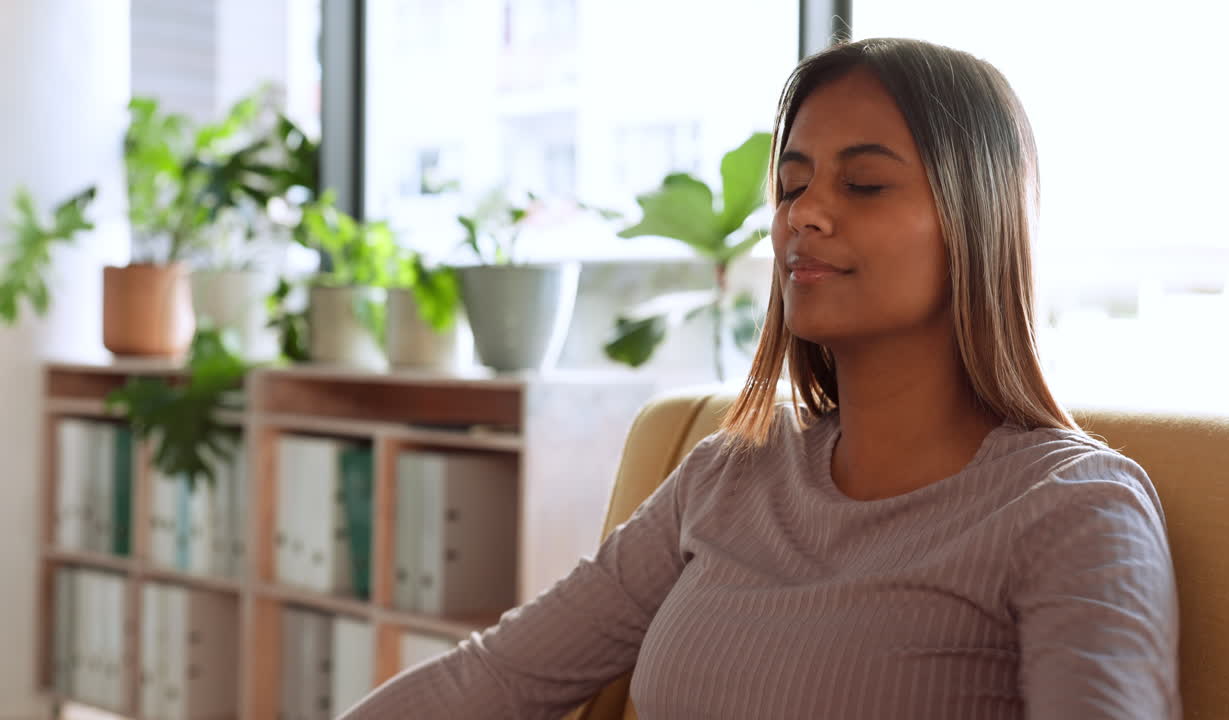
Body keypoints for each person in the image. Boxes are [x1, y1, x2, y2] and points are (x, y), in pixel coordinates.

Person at [340, 37, 1179, 719]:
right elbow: (497, 679)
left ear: (978, 219)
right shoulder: (730, 470)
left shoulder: (1074, 510)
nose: (803, 213)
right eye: (792, 183)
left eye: (864, 182)